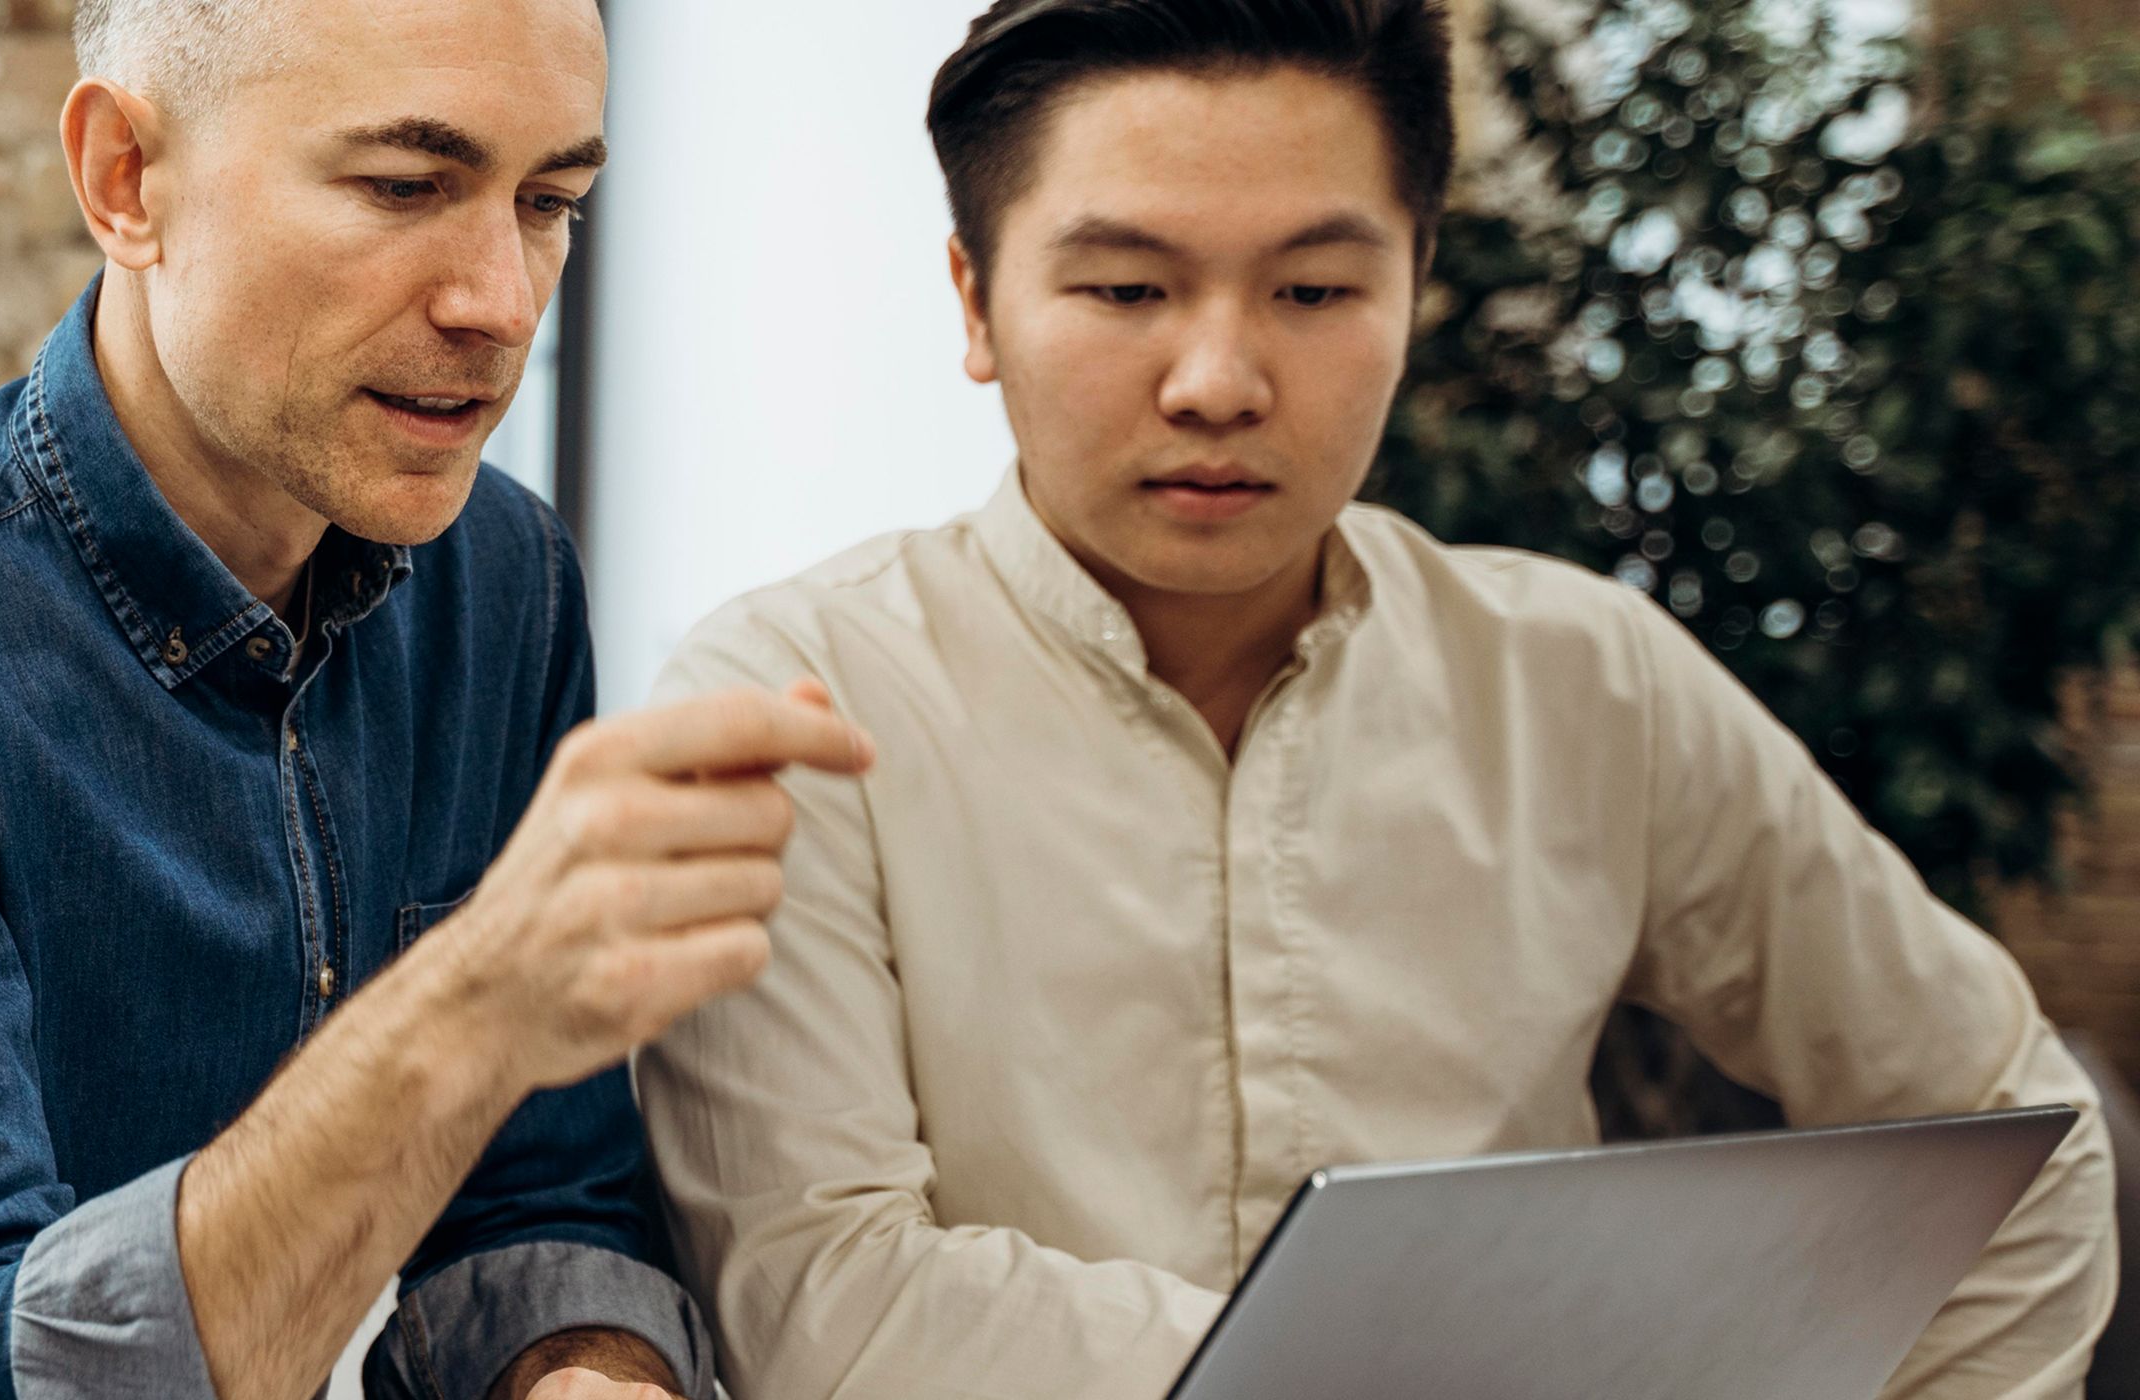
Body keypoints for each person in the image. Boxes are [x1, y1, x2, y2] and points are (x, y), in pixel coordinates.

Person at [634, 1, 2119, 1396]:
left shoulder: (1585, 684)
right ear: (977, 300)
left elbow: (2021, 1145)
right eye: (1127, 289)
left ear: (1418, 282)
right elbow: (830, 1305)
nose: (1218, 379)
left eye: (1314, 290)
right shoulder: (787, 703)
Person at [0, 0, 866, 1397]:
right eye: (403, 187)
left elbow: (537, 1207)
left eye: (552, 200)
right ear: (124, 179)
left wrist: (584, 1373)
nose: (500, 299)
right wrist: (472, 1002)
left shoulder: (502, 581)